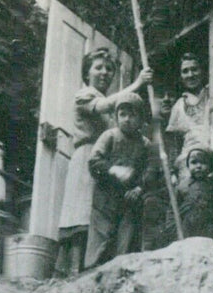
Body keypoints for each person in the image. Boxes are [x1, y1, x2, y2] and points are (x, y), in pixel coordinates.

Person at [55, 49, 152, 276]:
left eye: (109, 69)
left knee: (100, 214)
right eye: (98, 67)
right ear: (87, 72)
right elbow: (105, 105)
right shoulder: (85, 95)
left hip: (105, 161)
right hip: (87, 156)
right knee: (81, 212)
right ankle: (71, 268)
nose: (104, 73)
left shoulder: (111, 105)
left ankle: (90, 266)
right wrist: (137, 84)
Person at [85, 91, 153, 268]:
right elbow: (94, 161)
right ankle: (92, 275)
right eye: (122, 114)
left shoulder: (144, 143)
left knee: (124, 245)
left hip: (127, 200)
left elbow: (150, 170)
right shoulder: (110, 136)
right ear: (116, 117)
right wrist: (112, 169)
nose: (127, 119)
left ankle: (117, 276)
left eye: (132, 115)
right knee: (99, 242)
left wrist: (139, 188)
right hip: (104, 199)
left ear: (141, 119)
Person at [166, 52, 211, 183]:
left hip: (211, 158)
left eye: (194, 69)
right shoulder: (178, 106)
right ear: (180, 76)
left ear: (202, 71)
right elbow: (173, 144)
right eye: (185, 71)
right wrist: (172, 173)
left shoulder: (212, 95)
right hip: (188, 165)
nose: (190, 75)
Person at [176, 145, 213, 246]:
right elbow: (173, 211)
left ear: (210, 166)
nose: (198, 166)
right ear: (188, 165)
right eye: (194, 162)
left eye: (203, 162)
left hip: (210, 232)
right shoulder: (181, 187)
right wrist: (174, 232)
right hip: (187, 232)